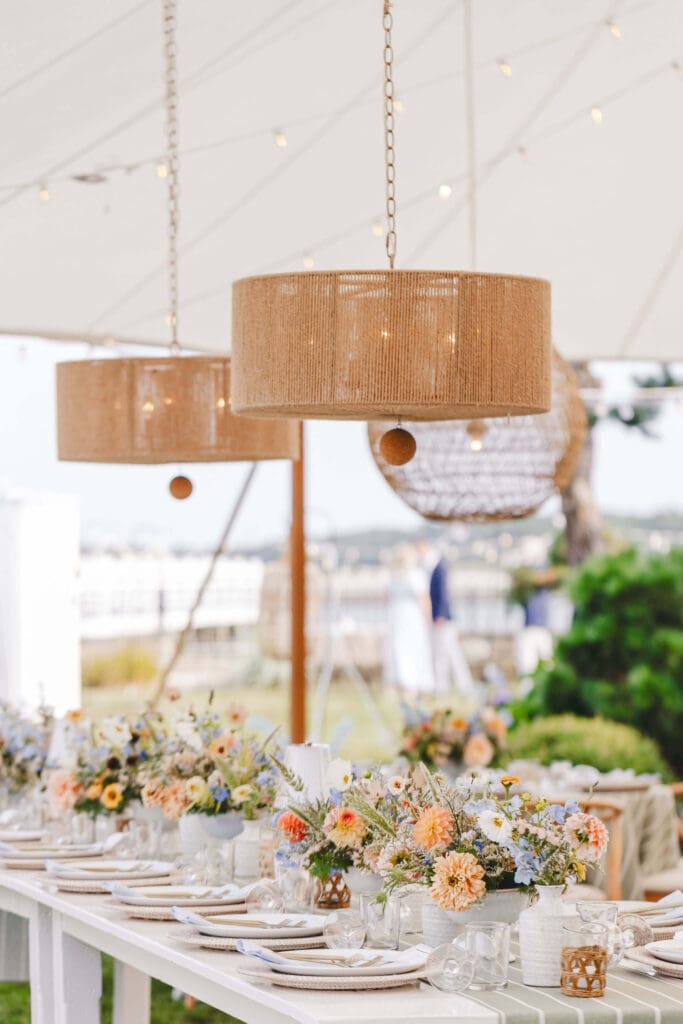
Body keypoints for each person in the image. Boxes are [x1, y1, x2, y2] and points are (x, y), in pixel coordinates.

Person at [417, 539, 475, 696]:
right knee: (451, 654)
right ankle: (462, 686)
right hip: (440, 617)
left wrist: (441, 615)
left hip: (442, 619)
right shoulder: (431, 566)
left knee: (443, 654)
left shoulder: (439, 566)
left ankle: (444, 687)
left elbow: (443, 593)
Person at [383, 544, 434, 694]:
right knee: (414, 647)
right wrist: (428, 617)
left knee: (397, 648)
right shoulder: (416, 574)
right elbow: (423, 598)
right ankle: (412, 683)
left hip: (396, 614)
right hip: (412, 615)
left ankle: (398, 682)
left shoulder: (393, 575)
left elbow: (386, 598)